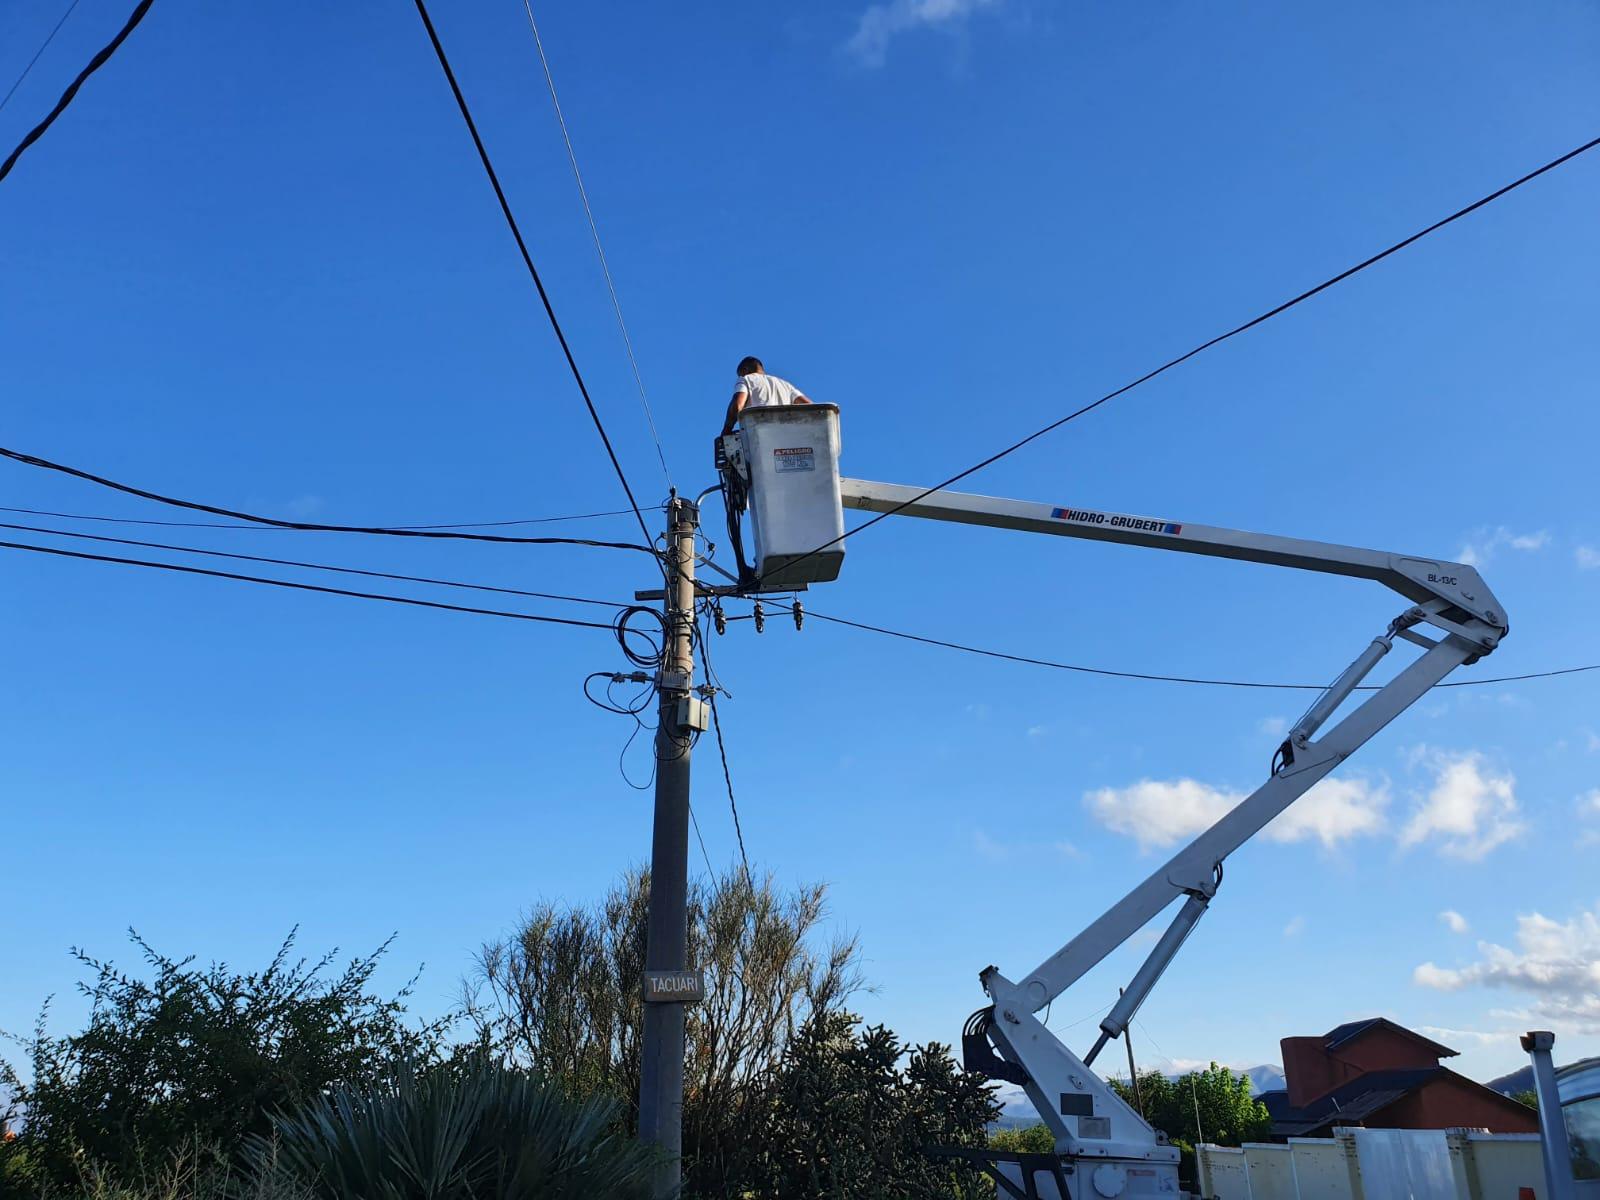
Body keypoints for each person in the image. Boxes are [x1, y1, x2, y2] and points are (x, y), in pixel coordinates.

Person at [720, 356, 812, 436]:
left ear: (745, 370)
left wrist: (726, 430)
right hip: (786, 435)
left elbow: (737, 406)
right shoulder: (785, 385)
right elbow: (810, 407)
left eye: (739, 374)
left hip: (759, 435)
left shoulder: (746, 379)